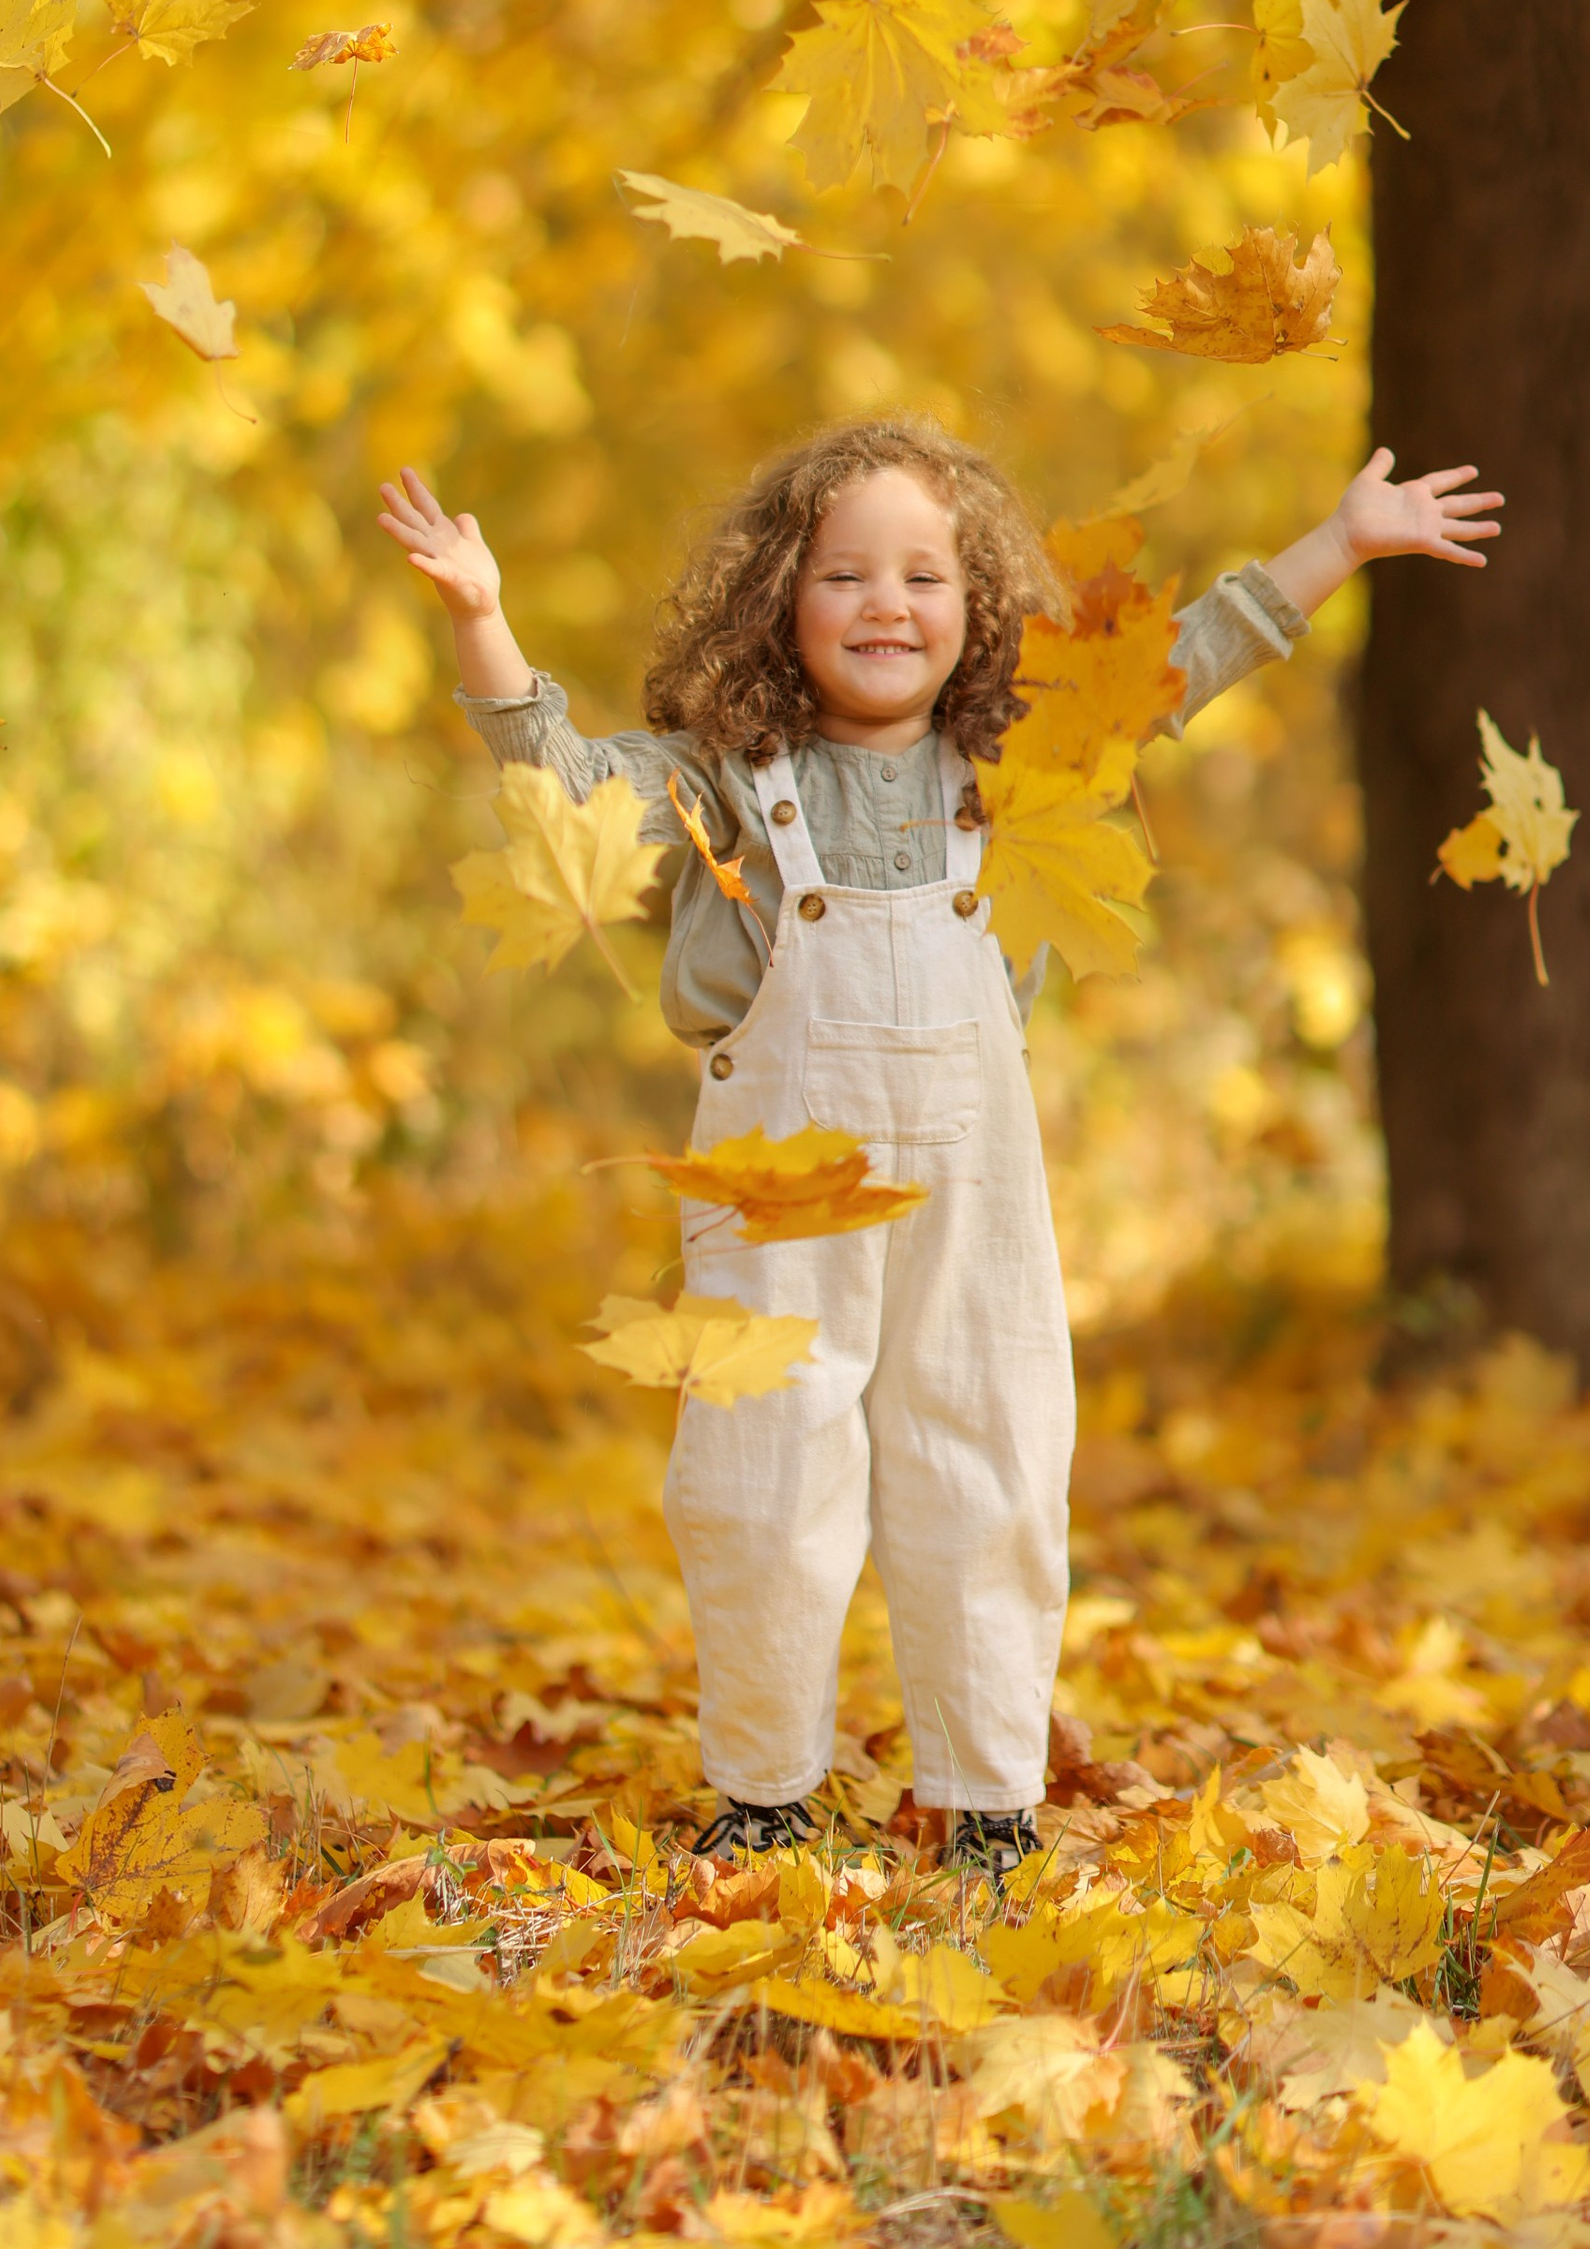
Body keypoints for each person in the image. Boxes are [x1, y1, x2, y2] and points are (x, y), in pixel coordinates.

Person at [379, 415, 1500, 1875]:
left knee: (990, 1447)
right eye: (844, 574)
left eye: (924, 576)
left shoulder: (1016, 764)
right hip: (775, 1192)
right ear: (779, 601)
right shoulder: (731, 777)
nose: (886, 604)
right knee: (758, 1472)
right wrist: (482, 617)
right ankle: (764, 1792)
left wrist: (1340, 542)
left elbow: (1181, 666)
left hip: (972, 1186)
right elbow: (566, 785)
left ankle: (987, 1798)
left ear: (978, 609)